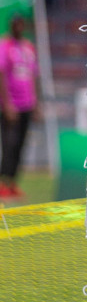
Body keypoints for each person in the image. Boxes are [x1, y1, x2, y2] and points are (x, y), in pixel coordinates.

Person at [0, 14, 38, 199]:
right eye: (15, 24)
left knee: (21, 145)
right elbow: (2, 74)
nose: (18, 27)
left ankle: (13, 182)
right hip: (10, 106)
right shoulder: (5, 46)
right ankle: (3, 181)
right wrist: (7, 104)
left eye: (21, 24)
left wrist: (36, 103)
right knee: (9, 144)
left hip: (27, 104)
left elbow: (33, 76)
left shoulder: (28, 47)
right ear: (11, 26)